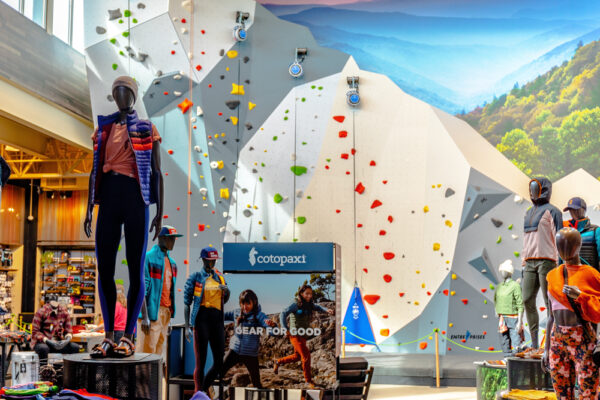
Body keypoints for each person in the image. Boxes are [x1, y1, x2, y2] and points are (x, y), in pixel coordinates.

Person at [84, 76, 164, 358]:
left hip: (135, 197)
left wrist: (159, 213)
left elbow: (156, 171)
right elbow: (95, 169)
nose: (121, 97)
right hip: (108, 197)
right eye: (117, 92)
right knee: (103, 269)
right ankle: (108, 335)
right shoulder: (103, 128)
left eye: (126, 92)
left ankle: (128, 337)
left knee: (135, 269)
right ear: (113, 96)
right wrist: (88, 208)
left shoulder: (146, 128)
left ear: (133, 96)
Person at [542, 227, 600, 400]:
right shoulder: (552, 276)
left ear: (579, 245)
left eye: (569, 244)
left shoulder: (591, 275)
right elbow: (551, 316)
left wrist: (581, 297)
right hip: (557, 339)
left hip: (583, 339)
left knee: (588, 392)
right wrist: (545, 349)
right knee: (562, 393)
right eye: (560, 245)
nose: (564, 249)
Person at [522, 177, 562, 349]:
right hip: (529, 262)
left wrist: (561, 265)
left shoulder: (554, 212)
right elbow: (527, 239)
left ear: (544, 189)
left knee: (549, 302)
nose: (532, 192)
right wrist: (523, 262)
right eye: (531, 188)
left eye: (535, 188)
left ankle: (552, 343)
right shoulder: (528, 212)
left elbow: (559, 237)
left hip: (547, 260)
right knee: (526, 299)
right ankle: (535, 344)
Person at [183, 246, 230, 394]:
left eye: (214, 260)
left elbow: (225, 299)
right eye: (210, 260)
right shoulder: (196, 276)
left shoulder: (220, 277)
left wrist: (227, 291)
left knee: (219, 361)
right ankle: (199, 392)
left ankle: (201, 391)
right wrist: (187, 325)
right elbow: (187, 301)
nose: (213, 263)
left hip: (217, 321)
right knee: (200, 361)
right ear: (204, 260)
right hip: (201, 319)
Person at [274, 284, 334, 389]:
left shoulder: (309, 304)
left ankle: (278, 361)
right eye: (307, 293)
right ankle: (308, 381)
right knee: (306, 355)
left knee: (297, 356)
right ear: (301, 293)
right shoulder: (296, 303)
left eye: (310, 294)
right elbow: (283, 313)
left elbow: (318, 307)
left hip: (303, 335)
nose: (309, 296)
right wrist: (285, 328)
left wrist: (326, 310)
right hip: (294, 334)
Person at [138, 225, 182, 357]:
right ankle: (143, 378)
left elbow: (170, 291)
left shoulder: (173, 263)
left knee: (159, 352)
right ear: (161, 238)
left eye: (174, 239)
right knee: (146, 352)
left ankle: (154, 378)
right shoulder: (148, 258)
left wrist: (169, 316)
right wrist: (145, 316)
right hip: (152, 312)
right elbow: (142, 289)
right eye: (170, 238)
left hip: (165, 312)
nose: (172, 242)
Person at [222, 290, 275, 388]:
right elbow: (220, 316)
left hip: (250, 354)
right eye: (242, 303)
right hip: (234, 351)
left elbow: (269, 328)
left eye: (248, 303)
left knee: (256, 383)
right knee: (219, 373)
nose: (245, 306)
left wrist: (273, 327)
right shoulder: (236, 312)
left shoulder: (259, 315)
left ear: (254, 303)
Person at [31, 295, 80, 364]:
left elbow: (68, 330)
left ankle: (69, 371)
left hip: (57, 342)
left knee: (75, 347)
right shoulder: (41, 312)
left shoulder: (64, 312)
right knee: (43, 349)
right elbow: (35, 332)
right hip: (43, 342)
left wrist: (67, 340)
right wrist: (48, 341)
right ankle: (44, 371)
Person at [494, 260, 524, 357]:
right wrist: (496, 310)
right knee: (504, 339)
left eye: (504, 270)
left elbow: (520, 303)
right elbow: (496, 299)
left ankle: (516, 358)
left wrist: (520, 321)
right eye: (501, 270)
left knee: (515, 339)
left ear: (509, 272)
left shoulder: (515, 286)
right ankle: (507, 356)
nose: (502, 272)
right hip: (502, 317)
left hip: (513, 317)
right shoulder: (499, 286)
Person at [563, 197, 600, 271]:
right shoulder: (566, 232)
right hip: (570, 276)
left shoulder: (595, 230)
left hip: (589, 276)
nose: (572, 212)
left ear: (583, 210)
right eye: (570, 210)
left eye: (576, 209)